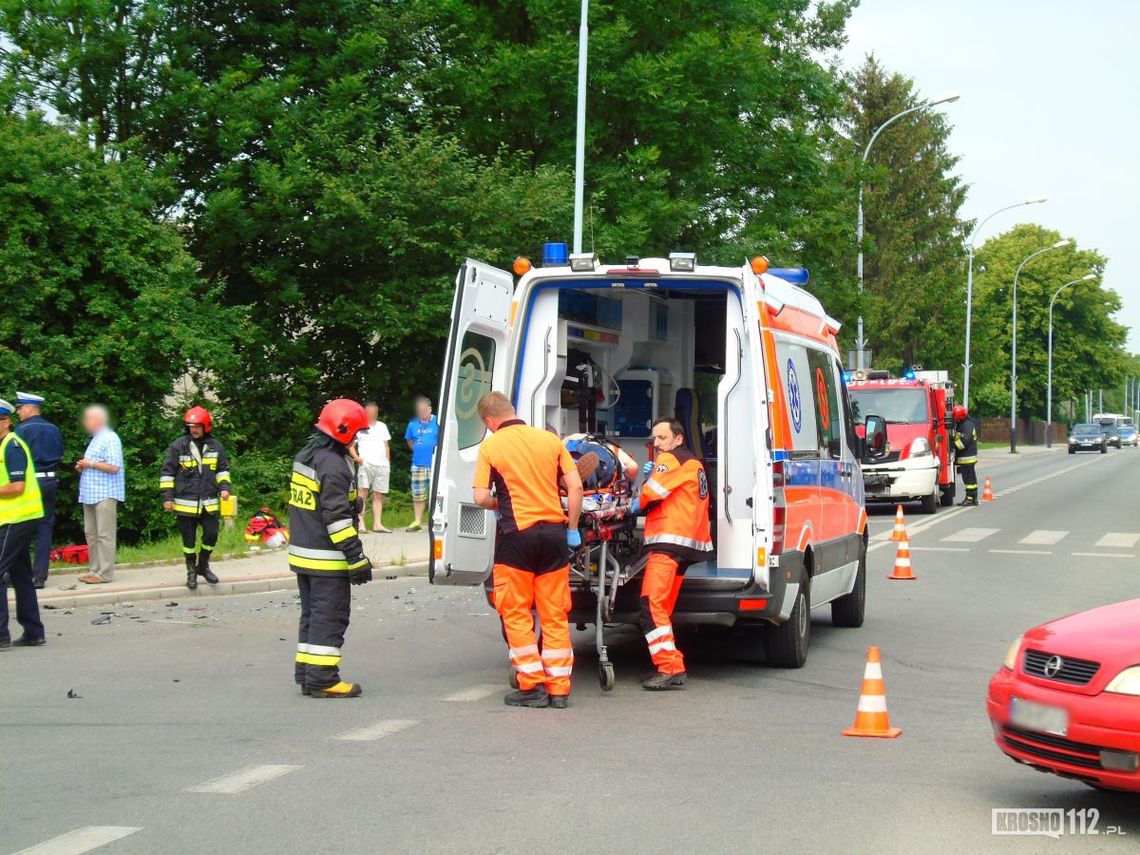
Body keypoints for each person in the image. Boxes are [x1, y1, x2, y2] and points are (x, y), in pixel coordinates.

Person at [472, 392, 583, 709]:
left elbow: (481, 497)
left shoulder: (491, 446)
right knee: (554, 614)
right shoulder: (549, 441)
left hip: (517, 537)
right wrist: (572, 528)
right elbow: (575, 487)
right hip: (554, 536)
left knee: (517, 613)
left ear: (490, 422)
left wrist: (500, 504)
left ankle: (532, 686)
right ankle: (560, 689)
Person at [288, 399, 373, 698]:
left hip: (303, 552)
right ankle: (324, 679)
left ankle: (308, 675)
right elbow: (335, 519)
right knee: (330, 616)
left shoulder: (309, 455)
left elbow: (316, 503)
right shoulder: (334, 465)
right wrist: (356, 557)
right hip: (326, 557)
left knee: (312, 616)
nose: (357, 438)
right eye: (356, 433)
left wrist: (352, 504)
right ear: (344, 430)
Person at [630, 418, 713, 690]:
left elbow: (650, 495)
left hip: (668, 541)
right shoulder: (694, 462)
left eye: (662, 438)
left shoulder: (670, 460)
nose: (657, 444)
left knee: (651, 605)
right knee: (662, 606)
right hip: (688, 543)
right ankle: (670, 664)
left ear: (678, 439)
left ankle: (669, 667)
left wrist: (638, 496)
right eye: (654, 439)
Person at [160, 406, 233, 590]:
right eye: (191, 426)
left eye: (198, 426)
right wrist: (167, 497)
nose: (194, 429)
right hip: (186, 503)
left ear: (206, 426)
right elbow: (167, 473)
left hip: (209, 501)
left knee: (211, 534)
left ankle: (203, 566)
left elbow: (222, 471)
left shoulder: (216, 446)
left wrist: (224, 488)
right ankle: (191, 571)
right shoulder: (179, 445)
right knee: (188, 541)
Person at [0, 400, 46, 648]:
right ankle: (34, 631)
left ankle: (1, 635)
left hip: (16, 518)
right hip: (11, 518)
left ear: (6, 421)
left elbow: (17, 487)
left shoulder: (12, 446)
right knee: (20, 576)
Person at [14, 392, 63, 590]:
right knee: (44, 527)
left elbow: (16, 458)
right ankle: (40, 576)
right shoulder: (53, 429)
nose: (18, 411)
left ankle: (19, 573)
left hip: (29, 483)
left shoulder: (21, 430)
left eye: (20, 408)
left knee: (21, 527)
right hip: (50, 481)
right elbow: (60, 454)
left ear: (29, 408)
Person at [76, 405, 125, 585]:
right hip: (90, 493)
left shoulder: (110, 438)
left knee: (105, 535)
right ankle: (94, 570)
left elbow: (113, 466)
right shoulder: (95, 439)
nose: (85, 423)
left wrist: (90, 464)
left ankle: (104, 573)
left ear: (98, 420)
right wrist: (83, 467)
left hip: (105, 493)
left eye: (88, 419)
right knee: (91, 533)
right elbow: (94, 464)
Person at [350, 402, 391, 533]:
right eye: (370, 413)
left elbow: (386, 446)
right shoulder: (359, 427)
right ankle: (360, 523)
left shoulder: (382, 426)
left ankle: (377, 524)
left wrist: (387, 462)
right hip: (366, 464)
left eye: (375, 413)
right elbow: (350, 445)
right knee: (362, 493)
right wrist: (357, 458)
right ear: (365, 413)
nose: (373, 415)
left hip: (382, 465)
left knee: (378, 495)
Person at [404, 395, 439, 532]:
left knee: (437, 494)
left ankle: (436, 520)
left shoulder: (438, 421)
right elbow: (410, 440)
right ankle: (417, 522)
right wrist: (419, 450)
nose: (421, 413)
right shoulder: (412, 424)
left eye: (423, 410)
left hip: (436, 464)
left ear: (429, 409)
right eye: (419, 410)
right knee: (418, 494)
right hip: (418, 464)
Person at [952, 404, 979, 507]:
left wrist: (952, 444)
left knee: (969, 479)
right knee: (970, 478)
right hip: (966, 457)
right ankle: (973, 499)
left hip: (967, 457)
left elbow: (963, 444)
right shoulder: (965, 423)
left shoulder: (967, 425)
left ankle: (970, 499)